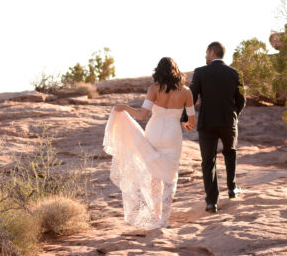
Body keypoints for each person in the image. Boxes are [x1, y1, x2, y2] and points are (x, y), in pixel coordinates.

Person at [103, 57, 194, 229]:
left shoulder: (153, 89)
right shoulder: (186, 92)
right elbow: (191, 121)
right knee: (170, 177)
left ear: (158, 71)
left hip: (154, 131)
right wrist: (184, 122)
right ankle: (164, 219)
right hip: (172, 135)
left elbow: (142, 114)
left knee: (155, 175)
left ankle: (155, 215)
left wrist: (125, 108)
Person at [189, 41, 246, 213]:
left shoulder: (200, 72)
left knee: (208, 162)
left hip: (206, 123)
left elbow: (191, 98)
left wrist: (185, 118)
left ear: (212, 52)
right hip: (228, 122)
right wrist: (234, 114)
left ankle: (211, 202)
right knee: (230, 153)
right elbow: (242, 100)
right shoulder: (235, 73)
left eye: (206, 53)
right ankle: (232, 188)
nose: (205, 56)